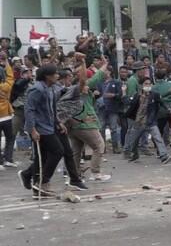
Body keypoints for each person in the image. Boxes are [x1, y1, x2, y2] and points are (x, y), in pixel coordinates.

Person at [19, 64, 63, 198]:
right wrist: (32, 130)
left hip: (49, 126)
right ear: (47, 76)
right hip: (40, 128)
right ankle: (43, 182)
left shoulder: (49, 88)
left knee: (42, 158)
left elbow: (51, 108)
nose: (57, 76)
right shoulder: (37, 89)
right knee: (57, 151)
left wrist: (58, 122)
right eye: (55, 74)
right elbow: (29, 109)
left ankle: (32, 181)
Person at [67, 57, 112, 182]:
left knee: (76, 151)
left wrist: (105, 64)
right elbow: (90, 79)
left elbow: (97, 76)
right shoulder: (78, 90)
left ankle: (74, 175)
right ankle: (95, 172)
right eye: (86, 82)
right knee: (99, 145)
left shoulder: (76, 91)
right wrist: (83, 62)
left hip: (74, 126)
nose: (88, 85)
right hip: (85, 125)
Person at [123, 77, 171, 163]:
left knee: (158, 138)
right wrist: (123, 93)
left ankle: (164, 155)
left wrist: (168, 109)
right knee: (134, 141)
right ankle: (135, 155)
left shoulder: (155, 95)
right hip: (139, 122)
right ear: (141, 86)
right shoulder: (137, 96)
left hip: (151, 121)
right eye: (146, 84)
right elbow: (129, 103)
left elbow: (161, 103)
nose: (148, 86)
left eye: (149, 84)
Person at [0, 57, 15, 169]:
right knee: (10, 138)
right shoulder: (6, 86)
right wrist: (7, 63)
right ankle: (7, 159)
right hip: (6, 116)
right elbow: (11, 77)